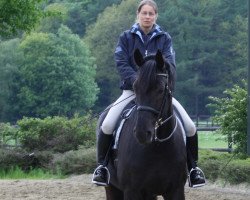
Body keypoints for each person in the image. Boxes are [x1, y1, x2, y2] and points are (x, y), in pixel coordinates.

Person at [92, 0, 205, 188]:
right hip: (132, 90)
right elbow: (121, 63)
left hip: (159, 93)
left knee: (190, 126)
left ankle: (194, 169)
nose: (147, 17)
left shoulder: (164, 38)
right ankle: (102, 167)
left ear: (156, 16)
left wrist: (155, 83)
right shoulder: (126, 37)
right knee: (108, 123)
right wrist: (139, 82)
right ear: (138, 14)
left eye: (151, 14)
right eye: (144, 13)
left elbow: (169, 65)